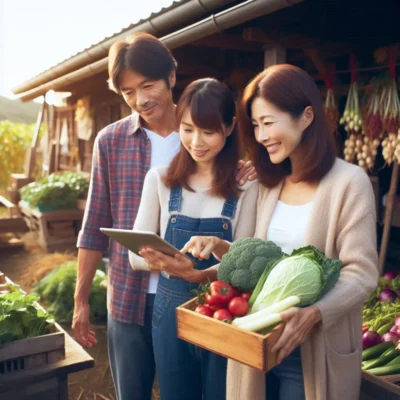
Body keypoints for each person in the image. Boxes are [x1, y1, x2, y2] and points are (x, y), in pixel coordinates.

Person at [72, 33, 255, 400]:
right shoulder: (110, 142)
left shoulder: (202, 137)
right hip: (128, 294)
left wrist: (252, 169)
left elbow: (243, 239)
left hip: (203, 297)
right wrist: (80, 301)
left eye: (147, 85)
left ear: (172, 76)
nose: (140, 99)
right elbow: (94, 226)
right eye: (127, 92)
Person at [224, 64, 379, 400]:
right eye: (255, 125)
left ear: (306, 117)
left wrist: (314, 314)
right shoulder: (265, 184)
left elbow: (363, 272)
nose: (261, 135)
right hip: (257, 345)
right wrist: (205, 265)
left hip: (313, 351)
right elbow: (243, 257)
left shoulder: (349, 183)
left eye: (268, 123)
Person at [128, 78, 259, 400]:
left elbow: (246, 270)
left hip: (226, 312)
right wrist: (167, 263)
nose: (196, 141)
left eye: (208, 131)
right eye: (187, 129)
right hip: (168, 309)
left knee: (221, 392)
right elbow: (134, 255)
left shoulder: (248, 187)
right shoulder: (160, 179)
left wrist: (200, 270)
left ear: (229, 128)